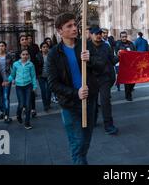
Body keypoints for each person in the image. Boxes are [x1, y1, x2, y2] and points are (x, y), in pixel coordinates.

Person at [47, 13, 100, 165]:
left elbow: (102, 65)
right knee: (77, 143)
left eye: (75, 24)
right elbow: (53, 83)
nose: (74, 28)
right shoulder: (54, 54)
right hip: (70, 104)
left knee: (86, 140)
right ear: (60, 31)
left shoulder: (86, 45)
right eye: (69, 26)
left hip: (89, 101)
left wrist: (91, 59)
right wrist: (74, 93)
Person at [88, 27, 119, 135]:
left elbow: (112, 60)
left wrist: (119, 56)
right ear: (91, 34)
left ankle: (109, 125)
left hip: (105, 78)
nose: (99, 35)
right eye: (96, 33)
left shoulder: (106, 46)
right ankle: (92, 120)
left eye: (100, 33)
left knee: (105, 101)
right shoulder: (86, 47)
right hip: (91, 79)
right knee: (92, 101)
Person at [7, 49, 37, 130]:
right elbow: (12, 75)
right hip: (19, 86)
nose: (25, 56)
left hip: (28, 86)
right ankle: (18, 114)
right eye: (23, 54)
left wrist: (34, 87)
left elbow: (33, 76)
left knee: (28, 105)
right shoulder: (16, 64)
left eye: (27, 54)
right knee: (21, 104)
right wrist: (7, 81)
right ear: (20, 55)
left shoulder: (31, 64)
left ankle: (27, 123)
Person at [115, 31, 136, 101]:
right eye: (122, 37)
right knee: (127, 82)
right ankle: (128, 95)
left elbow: (135, 52)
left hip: (132, 65)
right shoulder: (118, 44)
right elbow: (117, 53)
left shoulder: (131, 43)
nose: (124, 38)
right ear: (120, 37)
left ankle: (129, 90)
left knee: (133, 80)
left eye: (125, 36)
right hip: (124, 66)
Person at [0, 41, 14, 123]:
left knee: (6, 97)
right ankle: (2, 111)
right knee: (0, 97)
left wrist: (11, 79)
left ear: (5, 47)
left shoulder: (9, 56)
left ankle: (7, 115)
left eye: (2, 46)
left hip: (7, 80)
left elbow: (13, 68)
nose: (1, 47)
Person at [36, 42, 52, 112]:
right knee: (43, 90)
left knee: (49, 90)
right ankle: (45, 105)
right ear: (41, 48)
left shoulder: (51, 55)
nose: (45, 48)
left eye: (46, 47)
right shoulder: (38, 56)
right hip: (41, 76)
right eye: (43, 47)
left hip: (49, 76)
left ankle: (48, 103)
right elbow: (36, 66)